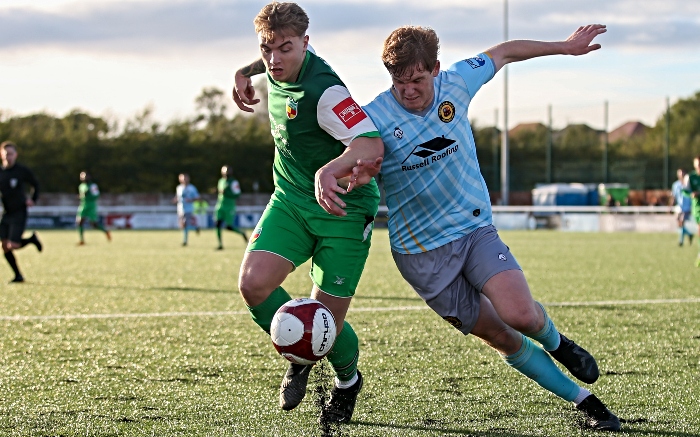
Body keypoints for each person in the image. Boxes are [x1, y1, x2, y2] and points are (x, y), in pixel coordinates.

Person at [319, 25, 621, 431]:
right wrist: (350, 171)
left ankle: (558, 343)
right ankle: (587, 403)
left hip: (473, 229)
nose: (408, 91)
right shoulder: (375, 116)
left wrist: (564, 48)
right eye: (399, 82)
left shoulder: (457, 82)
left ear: (435, 70)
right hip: (421, 255)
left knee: (521, 315)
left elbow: (505, 51)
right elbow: (359, 153)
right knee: (503, 337)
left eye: (417, 80)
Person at [231, 2, 383, 424]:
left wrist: (328, 170)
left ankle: (348, 381)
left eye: (286, 49)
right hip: (292, 201)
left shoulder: (327, 92)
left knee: (325, 325)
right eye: (267, 49)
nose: (275, 59)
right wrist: (244, 72)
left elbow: (371, 146)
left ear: (306, 45)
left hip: (343, 210)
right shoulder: (270, 65)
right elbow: (266, 59)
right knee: (253, 285)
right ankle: (301, 355)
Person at [0, 141, 42, 283]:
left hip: (19, 211)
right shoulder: (0, 172)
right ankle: (18, 275)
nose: (8, 157)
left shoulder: (21, 171)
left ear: (16, 155)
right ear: (1, 155)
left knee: (13, 245)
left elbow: (35, 184)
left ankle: (31, 240)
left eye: (11, 154)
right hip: (6, 212)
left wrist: (33, 199)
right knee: (5, 246)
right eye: (6, 154)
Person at [214, 165, 247, 250]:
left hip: (229, 206)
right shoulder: (220, 181)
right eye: (224, 171)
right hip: (220, 205)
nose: (226, 173)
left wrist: (227, 193)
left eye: (228, 171)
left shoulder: (234, 182)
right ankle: (220, 244)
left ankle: (242, 233)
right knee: (217, 224)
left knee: (229, 227)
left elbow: (237, 194)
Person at [76, 171, 111, 245]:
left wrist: (89, 194)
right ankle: (82, 240)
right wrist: (80, 196)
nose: (83, 178)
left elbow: (96, 195)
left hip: (91, 205)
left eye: (85, 176)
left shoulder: (93, 186)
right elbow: (81, 195)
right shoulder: (81, 186)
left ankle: (106, 231)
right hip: (83, 205)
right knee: (79, 222)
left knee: (94, 224)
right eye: (82, 177)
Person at [173, 173, 200, 246]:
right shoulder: (179, 187)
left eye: (185, 178)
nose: (184, 180)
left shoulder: (192, 188)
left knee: (185, 224)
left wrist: (191, 200)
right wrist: (175, 200)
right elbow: (178, 197)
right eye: (182, 178)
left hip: (189, 209)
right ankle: (195, 228)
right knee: (182, 225)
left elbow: (197, 197)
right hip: (180, 209)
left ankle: (185, 241)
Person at [684, 156, 700, 266]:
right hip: (698, 208)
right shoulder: (691, 176)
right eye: (696, 165)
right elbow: (684, 191)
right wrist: (691, 194)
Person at [671, 168, 693, 247]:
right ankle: (689, 234)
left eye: (683, 173)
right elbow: (674, 196)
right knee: (679, 224)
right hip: (679, 207)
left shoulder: (689, 184)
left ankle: (681, 241)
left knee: (682, 222)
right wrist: (671, 205)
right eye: (680, 173)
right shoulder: (675, 185)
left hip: (687, 207)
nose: (681, 175)